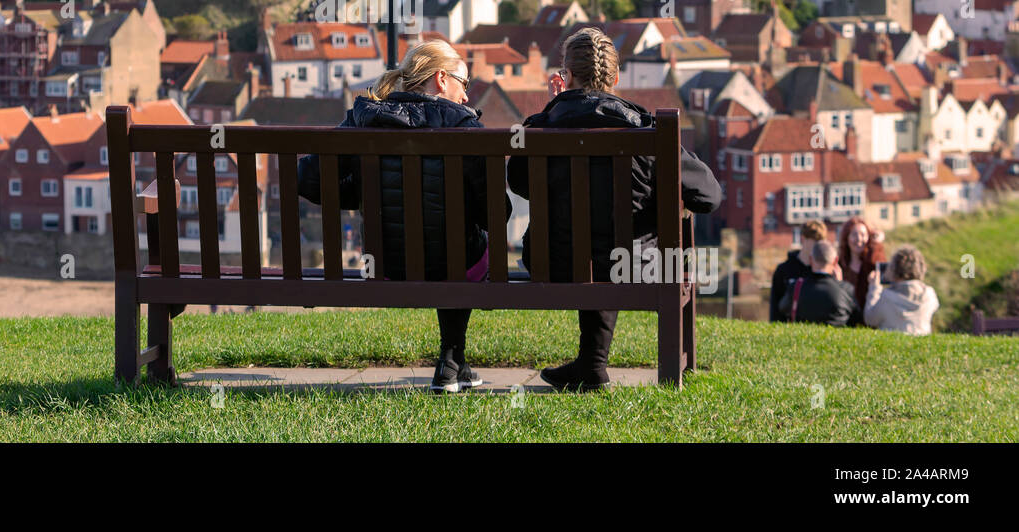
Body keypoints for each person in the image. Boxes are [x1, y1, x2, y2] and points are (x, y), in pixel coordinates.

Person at [507, 26, 721, 391]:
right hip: (635, 265)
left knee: (591, 246)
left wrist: (551, 109)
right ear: (616, 78)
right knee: (610, 250)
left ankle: (591, 367)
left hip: (550, 261)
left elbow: (520, 184)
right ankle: (593, 365)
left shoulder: (540, 128)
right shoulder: (646, 132)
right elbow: (708, 196)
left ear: (566, 76)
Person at [296, 39, 510, 394]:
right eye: (464, 83)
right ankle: (451, 358)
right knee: (465, 246)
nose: (467, 97)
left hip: (386, 264)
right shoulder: (465, 128)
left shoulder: (367, 119)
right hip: (455, 264)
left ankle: (455, 362)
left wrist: (367, 191)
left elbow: (307, 178)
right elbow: (496, 215)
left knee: (453, 243)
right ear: (442, 79)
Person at [777, 240, 856, 327]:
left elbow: (782, 308)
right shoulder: (846, 290)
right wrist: (839, 284)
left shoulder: (796, 287)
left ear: (811, 259)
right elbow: (855, 317)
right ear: (835, 261)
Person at [864, 245, 939, 334]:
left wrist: (874, 288)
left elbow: (870, 319)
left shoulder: (886, 297)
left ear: (894, 269)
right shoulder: (929, 295)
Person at [769, 220, 829, 322]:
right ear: (803, 239)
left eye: (820, 242)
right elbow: (775, 307)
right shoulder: (784, 270)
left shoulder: (823, 271)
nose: (817, 246)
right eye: (814, 241)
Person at [837, 217, 885, 324]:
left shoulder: (871, 261)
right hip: (847, 321)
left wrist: (877, 244)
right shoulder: (841, 265)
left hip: (870, 320)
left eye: (863, 235)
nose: (859, 239)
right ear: (847, 238)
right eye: (854, 234)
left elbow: (880, 268)